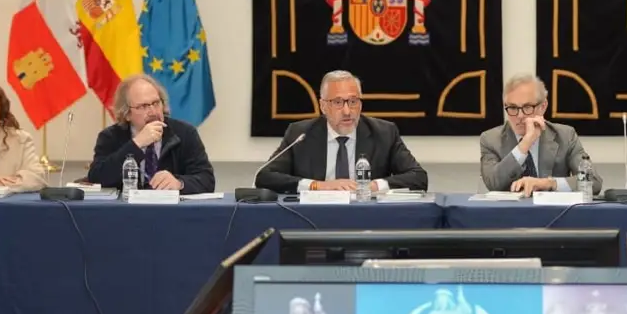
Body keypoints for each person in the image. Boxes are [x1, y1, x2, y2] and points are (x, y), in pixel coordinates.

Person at [254, 70, 428, 194]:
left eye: (353, 101)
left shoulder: (384, 133)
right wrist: (319, 186)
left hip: (368, 219)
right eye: (338, 102)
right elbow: (265, 177)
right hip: (313, 218)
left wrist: (373, 186)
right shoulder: (300, 134)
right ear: (323, 106)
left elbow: (418, 177)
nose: (347, 111)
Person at [86, 73, 215, 194]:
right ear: (127, 114)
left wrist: (179, 183)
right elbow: (97, 178)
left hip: (172, 213)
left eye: (156, 103)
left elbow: (207, 180)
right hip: (127, 213)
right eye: (143, 106)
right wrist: (136, 144)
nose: (153, 111)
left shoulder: (185, 133)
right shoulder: (110, 137)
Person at [478, 72, 602, 196]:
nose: (519, 116)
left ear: (543, 106)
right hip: (510, 214)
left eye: (527, 107)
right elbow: (493, 183)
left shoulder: (565, 136)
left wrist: (548, 183)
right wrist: (525, 144)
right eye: (512, 108)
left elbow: (593, 182)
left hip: (553, 213)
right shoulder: (490, 139)